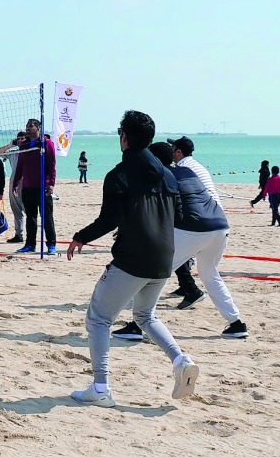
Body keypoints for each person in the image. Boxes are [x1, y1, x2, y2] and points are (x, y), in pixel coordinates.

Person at [67, 110, 199, 408]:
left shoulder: (119, 175)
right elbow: (178, 215)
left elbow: (109, 219)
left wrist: (80, 236)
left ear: (123, 137)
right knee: (145, 316)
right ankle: (181, 359)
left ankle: (101, 388)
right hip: (165, 259)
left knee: (98, 319)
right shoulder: (167, 173)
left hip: (133, 259)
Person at [114, 142, 249, 340]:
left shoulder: (159, 175)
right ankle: (236, 324)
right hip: (219, 226)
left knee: (153, 273)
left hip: (193, 229)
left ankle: (136, 325)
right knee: (210, 275)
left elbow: (149, 210)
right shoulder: (186, 171)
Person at [167, 136, 219, 301]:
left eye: (172, 148)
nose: (170, 152)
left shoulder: (182, 168)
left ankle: (191, 290)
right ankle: (186, 286)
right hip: (214, 213)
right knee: (179, 250)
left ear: (178, 152)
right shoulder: (195, 165)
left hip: (201, 214)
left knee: (171, 248)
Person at [11, 119, 57, 255]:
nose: (28, 128)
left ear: (38, 128)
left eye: (31, 126)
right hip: (28, 187)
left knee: (47, 217)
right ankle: (30, 244)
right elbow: (20, 166)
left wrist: (51, 184)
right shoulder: (24, 145)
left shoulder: (46, 143)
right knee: (30, 217)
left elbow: (52, 165)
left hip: (43, 186)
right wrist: (15, 183)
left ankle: (51, 245)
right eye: (27, 126)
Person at [0, 132, 26, 244]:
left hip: (28, 180)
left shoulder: (31, 151)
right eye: (19, 139)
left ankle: (32, 235)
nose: (21, 141)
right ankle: (19, 234)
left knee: (29, 209)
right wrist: (10, 145)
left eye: (23, 139)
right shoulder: (14, 152)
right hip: (14, 181)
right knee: (16, 209)